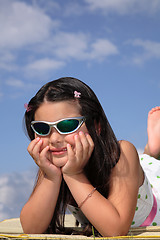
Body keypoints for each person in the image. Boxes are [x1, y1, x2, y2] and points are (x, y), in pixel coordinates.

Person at [20, 77, 160, 237]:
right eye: (42, 128)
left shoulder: (120, 153)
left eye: (67, 125)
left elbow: (116, 230)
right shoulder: (51, 162)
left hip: (155, 199)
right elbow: (31, 229)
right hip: (131, 175)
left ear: (97, 126)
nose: (54, 139)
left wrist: (74, 175)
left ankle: (151, 150)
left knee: (147, 167)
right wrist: (51, 177)